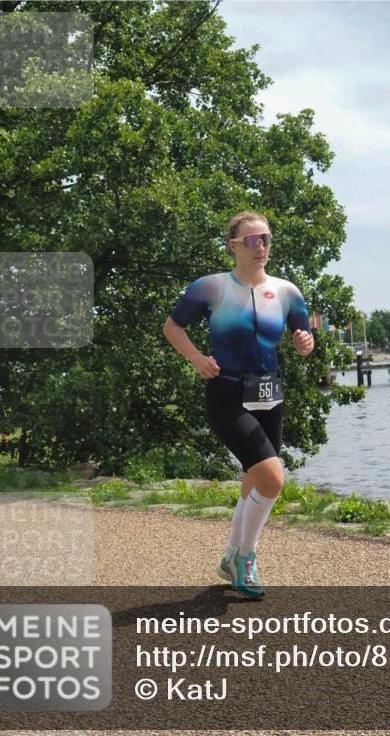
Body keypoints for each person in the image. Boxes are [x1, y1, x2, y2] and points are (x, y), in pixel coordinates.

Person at [162, 211, 314, 597]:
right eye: (251, 240)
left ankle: (231, 556)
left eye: (265, 238)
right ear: (233, 246)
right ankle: (246, 558)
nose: (260, 246)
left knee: (253, 479)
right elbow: (172, 326)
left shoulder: (286, 291)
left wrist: (304, 344)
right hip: (227, 393)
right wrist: (197, 359)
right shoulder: (210, 288)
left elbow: (304, 336)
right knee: (273, 479)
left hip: (270, 395)